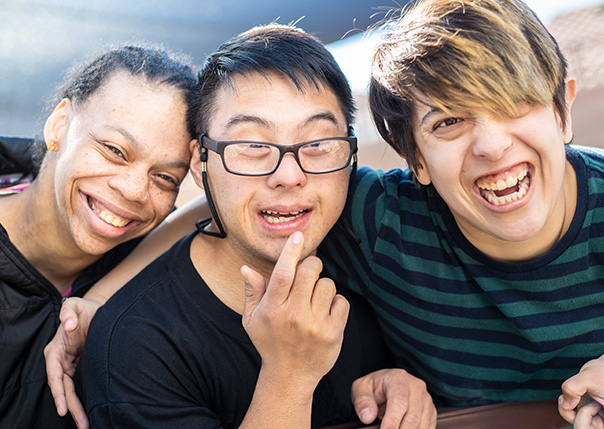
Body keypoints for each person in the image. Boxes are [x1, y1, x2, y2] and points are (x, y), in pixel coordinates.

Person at [320, 0, 604, 427]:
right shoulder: (380, 225)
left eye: (513, 102)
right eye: (448, 122)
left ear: (562, 112)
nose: (492, 145)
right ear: (416, 160)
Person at [77, 24, 434, 429]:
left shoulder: (365, 259)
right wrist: (289, 378)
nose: (288, 175)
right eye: (252, 146)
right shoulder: (136, 345)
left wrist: (395, 387)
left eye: (317, 144)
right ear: (200, 163)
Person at [0, 45, 196, 429]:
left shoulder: (145, 269)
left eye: (166, 178)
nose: (135, 190)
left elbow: (213, 214)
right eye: (114, 150)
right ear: (60, 125)